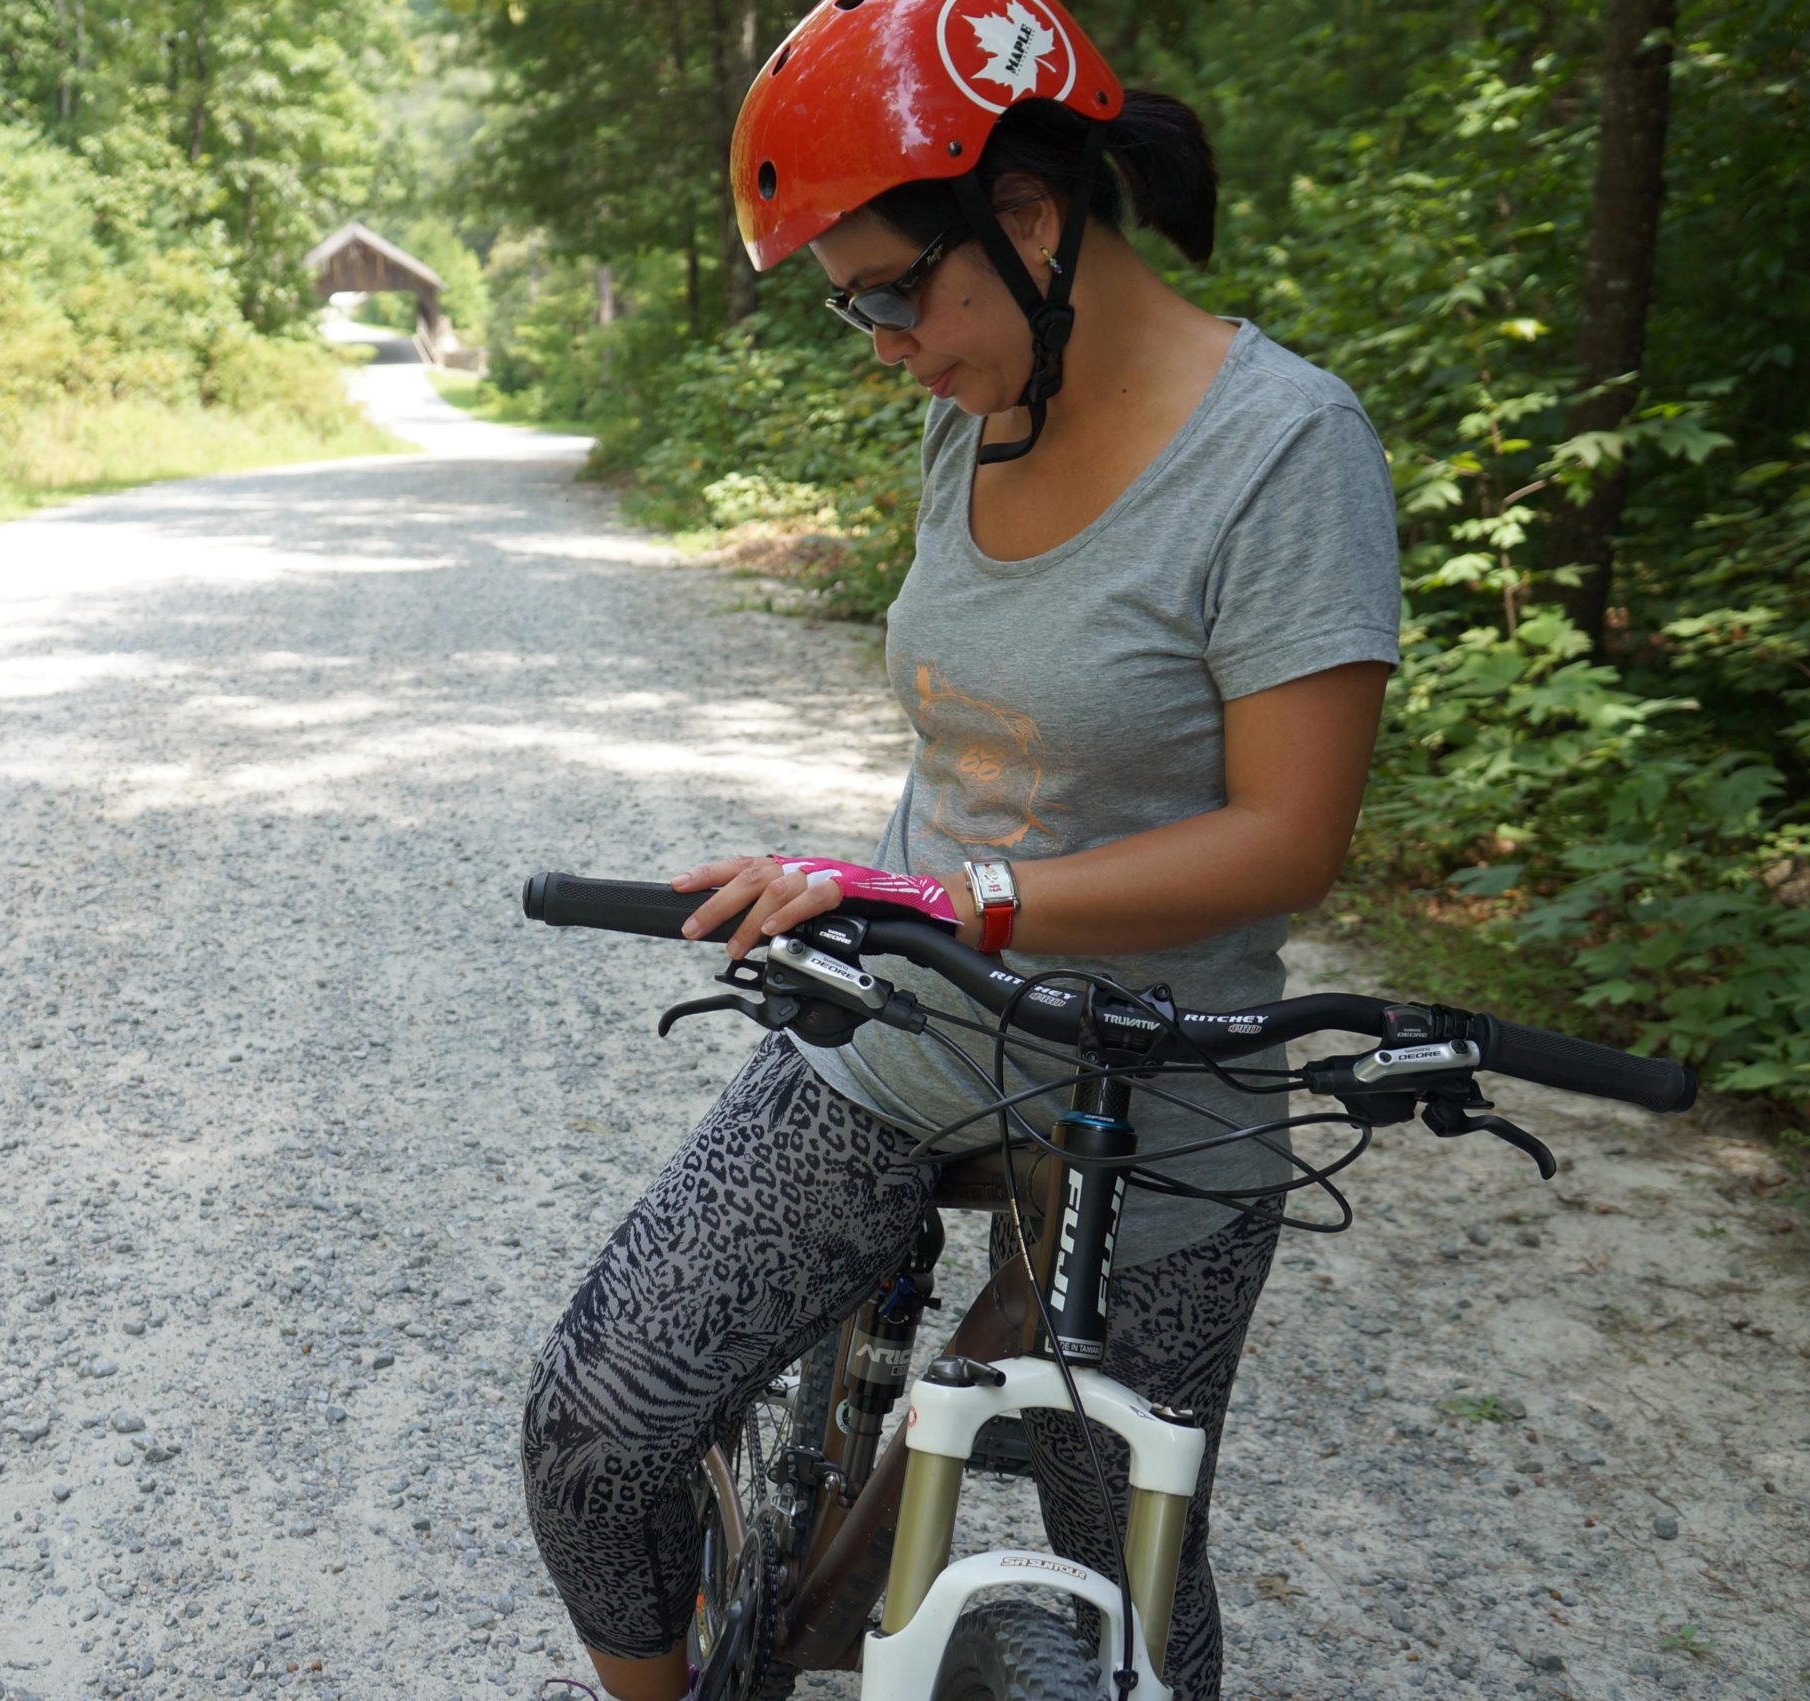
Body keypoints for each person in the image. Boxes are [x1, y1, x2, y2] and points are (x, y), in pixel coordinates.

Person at [521, 3, 1401, 1697]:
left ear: (1033, 213)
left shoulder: (1288, 452)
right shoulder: (976, 402)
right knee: (599, 1430)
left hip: (1161, 1071)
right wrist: (897, 891)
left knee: (1122, 1577)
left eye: (886, 289)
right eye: (850, 303)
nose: (880, 345)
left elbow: (1291, 835)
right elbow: (979, 744)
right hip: (908, 1019)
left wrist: (964, 895)